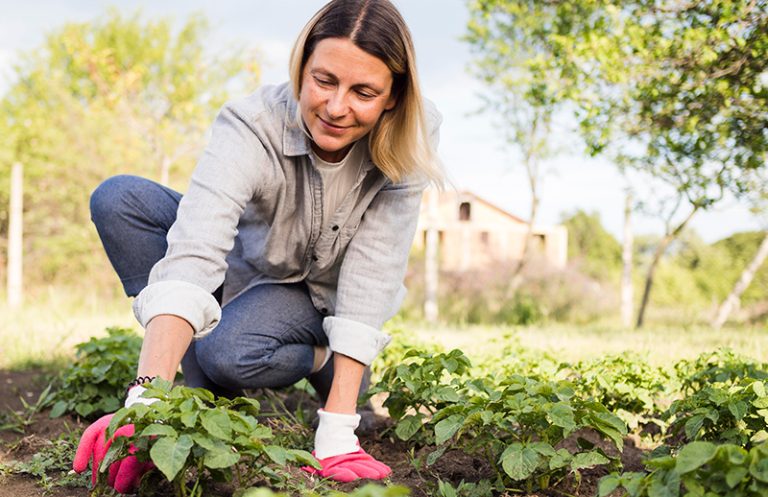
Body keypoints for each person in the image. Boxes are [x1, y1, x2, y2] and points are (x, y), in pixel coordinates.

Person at [72, 0, 443, 492]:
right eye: (324, 80)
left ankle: (324, 361)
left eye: (364, 92)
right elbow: (196, 246)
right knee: (122, 200)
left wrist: (337, 430)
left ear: (393, 97)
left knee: (227, 352)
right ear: (301, 67)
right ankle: (200, 396)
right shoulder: (252, 123)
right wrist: (148, 397)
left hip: (319, 296)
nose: (335, 108)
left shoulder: (411, 137)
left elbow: (372, 273)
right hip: (249, 267)